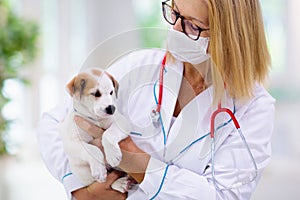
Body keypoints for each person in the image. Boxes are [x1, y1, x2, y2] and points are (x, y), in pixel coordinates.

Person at [37, 0, 275, 199]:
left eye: (192, 26)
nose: (175, 30)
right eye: (174, 14)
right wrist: (80, 189)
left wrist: (136, 161)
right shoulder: (140, 66)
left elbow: (222, 195)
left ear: (230, 36)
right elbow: (52, 122)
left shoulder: (254, 108)